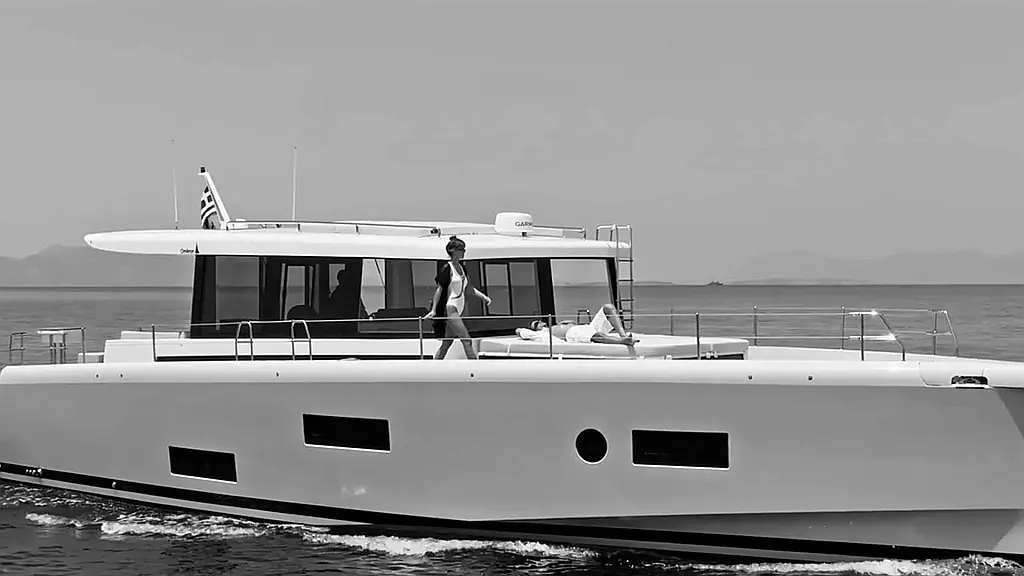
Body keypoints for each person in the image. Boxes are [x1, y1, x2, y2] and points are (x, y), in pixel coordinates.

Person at [425, 235, 492, 359]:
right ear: (453, 251)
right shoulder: (447, 268)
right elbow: (440, 289)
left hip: (459, 307)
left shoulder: (462, 267)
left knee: (447, 342)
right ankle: (475, 366)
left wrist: (483, 297)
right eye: (462, 250)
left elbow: (468, 288)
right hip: (451, 308)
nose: (464, 252)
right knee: (467, 340)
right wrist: (434, 310)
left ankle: (434, 364)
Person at [529, 303, 637, 346]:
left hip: (585, 327)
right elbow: (523, 332)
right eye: (536, 324)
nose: (540, 323)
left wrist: (566, 323)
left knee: (608, 307)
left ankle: (623, 335)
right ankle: (622, 341)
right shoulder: (544, 333)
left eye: (539, 321)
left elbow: (573, 323)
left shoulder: (555, 326)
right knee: (596, 336)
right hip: (573, 333)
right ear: (537, 329)